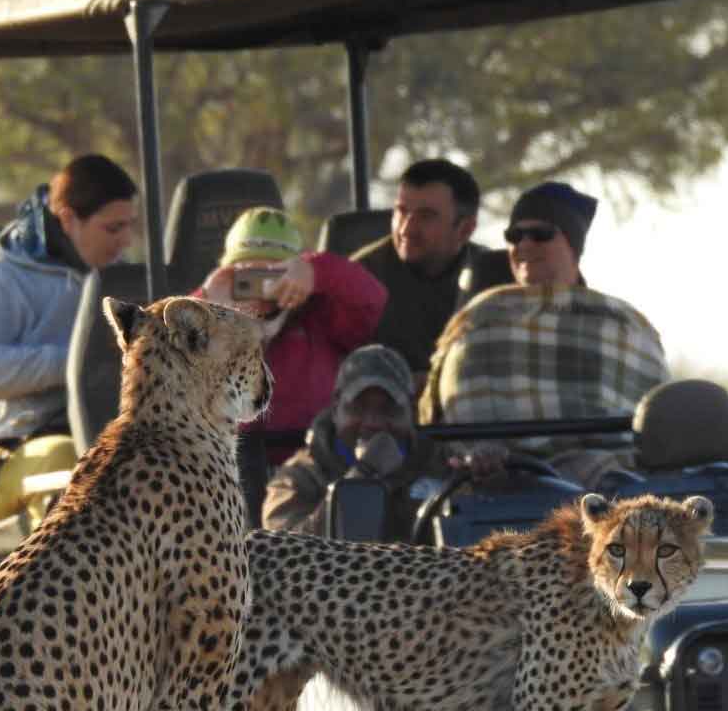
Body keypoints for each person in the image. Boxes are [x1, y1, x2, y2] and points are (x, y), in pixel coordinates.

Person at [419, 181, 669, 488]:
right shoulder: (480, 317)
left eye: (540, 234)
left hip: (603, 485)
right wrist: (481, 454)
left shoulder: (622, 325)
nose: (524, 245)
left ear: (573, 246)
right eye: (514, 235)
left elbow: (645, 424)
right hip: (494, 484)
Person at [0, 152, 138, 532]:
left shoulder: (117, 280)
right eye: (112, 229)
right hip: (8, 457)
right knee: (71, 460)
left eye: (129, 227)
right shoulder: (1, 278)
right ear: (68, 218)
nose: (125, 241)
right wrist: (75, 366)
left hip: (97, 433)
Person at [196, 206, 386, 469]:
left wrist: (317, 271)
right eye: (247, 275)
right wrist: (207, 305)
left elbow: (372, 300)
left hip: (310, 467)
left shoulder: (320, 317)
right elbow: (162, 350)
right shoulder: (204, 316)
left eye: (272, 274)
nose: (261, 287)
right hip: (226, 472)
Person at [261, 344, 450, 538]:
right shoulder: (299, 478)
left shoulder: (441, 466)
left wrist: (480, 479)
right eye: (358, 408)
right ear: (336, 408)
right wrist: (363, 474)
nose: (373, 423)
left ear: (412, 410)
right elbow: (284, 553)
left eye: (389, 409)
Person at [353, 159, 491, 389]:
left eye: (426, 216)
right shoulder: (359, 278)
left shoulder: (492, 278)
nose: (406, 229)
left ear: (465, 229)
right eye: (401, 211)